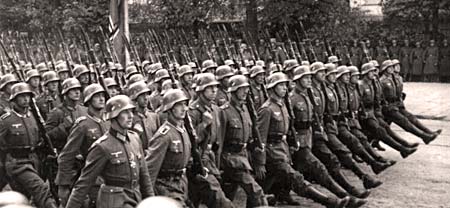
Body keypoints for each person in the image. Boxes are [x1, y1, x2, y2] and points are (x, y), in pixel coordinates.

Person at [257, 72, 350, 208]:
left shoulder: (282, 105)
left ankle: (273, 197)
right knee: (296, 179)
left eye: (285, 85)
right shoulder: (266, 109)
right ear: (272, 88)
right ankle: (330, 202)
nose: (284, 88)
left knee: (265, 187)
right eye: (280, 85)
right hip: (273, 152)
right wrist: (260, 161)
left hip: (283, 149)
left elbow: (288, 129)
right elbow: (261, 138)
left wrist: (292, 143)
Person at [66, 95, 154, 208]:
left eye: (131, 111)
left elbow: (144, 177)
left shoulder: (134, 139)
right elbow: (83, 184)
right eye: (125, 112)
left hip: (135, 197)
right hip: (114, 201)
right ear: (114, 116)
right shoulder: (103, 146)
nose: (131, 116)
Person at [0, 83, 58, 208]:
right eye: (22, 96)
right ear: (14, 100)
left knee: (24, 198)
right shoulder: (6, 121)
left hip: (35, 161)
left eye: (27, 96)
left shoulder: (34, 117)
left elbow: (41, 139)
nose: (26, 99)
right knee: (41, 189)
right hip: (17, 163)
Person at [56, 83, 109, 207]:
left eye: (103, 96)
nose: (102, 99)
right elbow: (66, 156)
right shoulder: (83, 125)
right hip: (92, 178)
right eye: (97, 96)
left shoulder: (109, 122)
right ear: (89, 100)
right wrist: (63, 185)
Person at [358, 62, 417, 157]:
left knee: (386, 127)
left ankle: (404, 145)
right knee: (381, 131)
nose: (374, 73)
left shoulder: (372, 83)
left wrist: (377, 111)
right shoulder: (361, 85)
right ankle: (402, 149)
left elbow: (377, 99)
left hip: (373, 113)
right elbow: (358, 103)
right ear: (366, 73)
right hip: (366, 115)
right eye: (371, 71)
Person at [45, 78, 87, 152]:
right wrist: (63, 127)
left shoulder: (84, 110)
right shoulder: (57, 112)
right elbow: (47, 136)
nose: (77, 92)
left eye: (78, 89)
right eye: (73, 90)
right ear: (66, 92)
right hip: (65, 151)